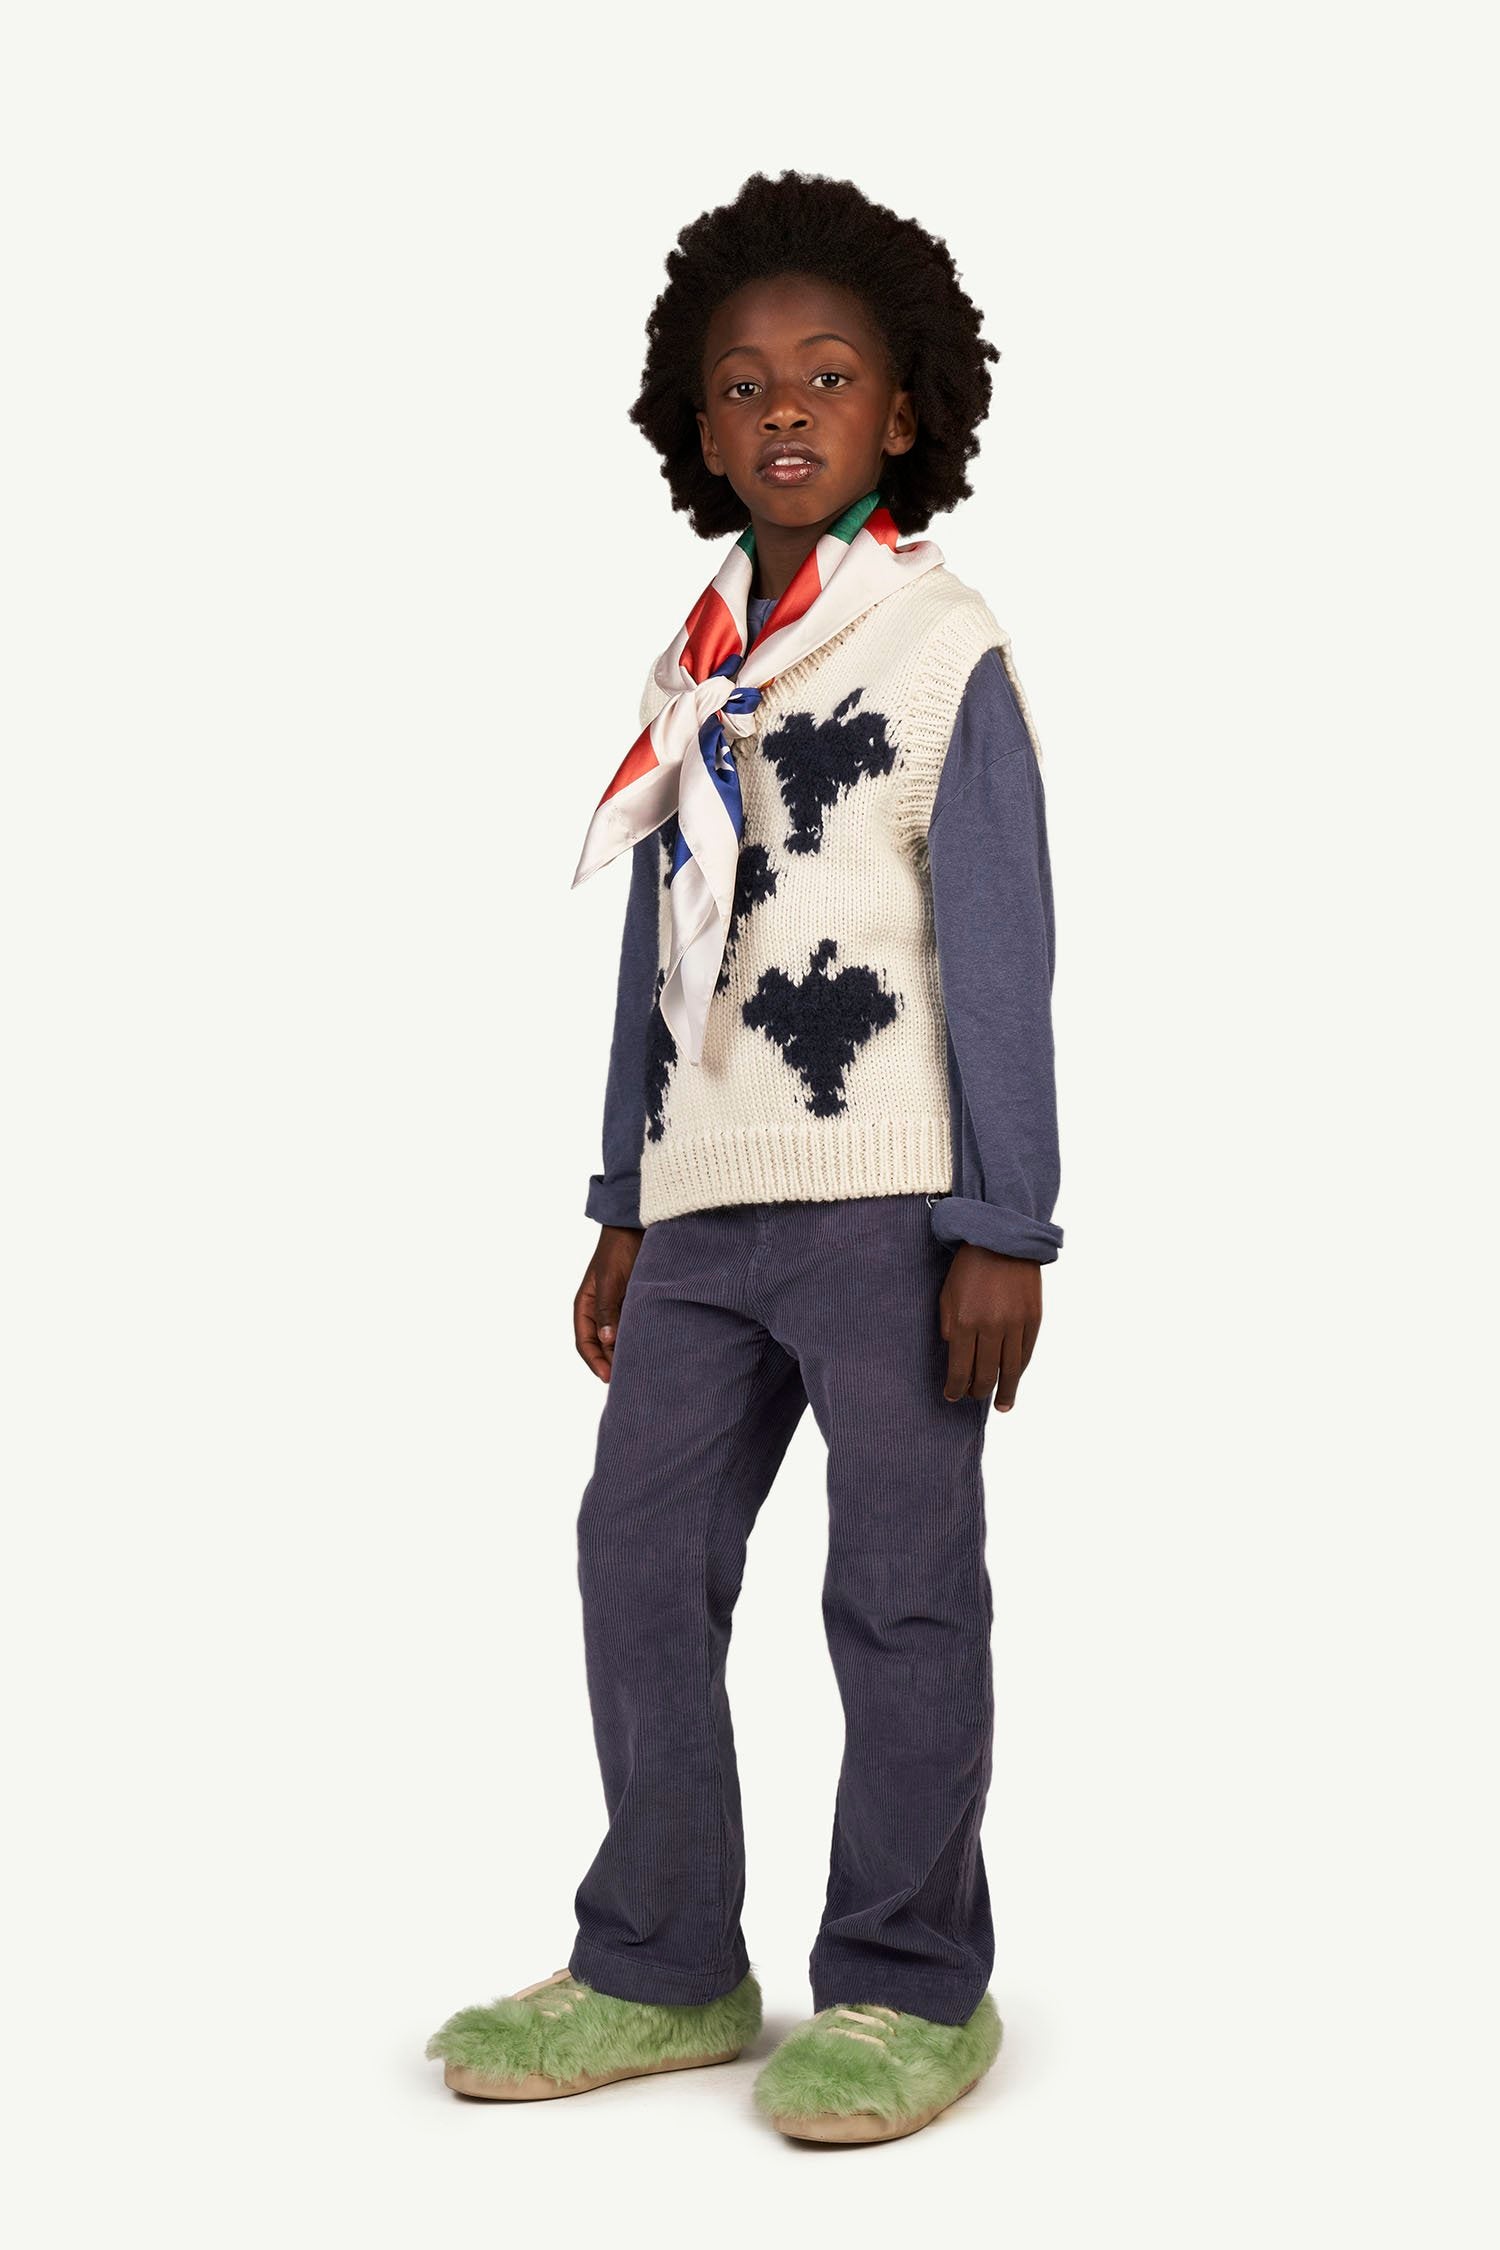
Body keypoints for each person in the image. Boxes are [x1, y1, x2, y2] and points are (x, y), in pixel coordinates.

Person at [427, 168, 1064, 2146]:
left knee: (899, 1586)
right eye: (742, 382)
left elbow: (1001, 947)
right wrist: (621, 1203)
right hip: (702, 1205)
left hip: (890, 1205)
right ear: (697, 429)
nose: (785, 404)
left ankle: (907, 1975)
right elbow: (660, 944)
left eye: (831, 373)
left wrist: (1006, 1221)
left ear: (903, 408)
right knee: (637, 1550)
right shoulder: (693, 668)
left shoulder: (940, 649)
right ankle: (663, 1955)